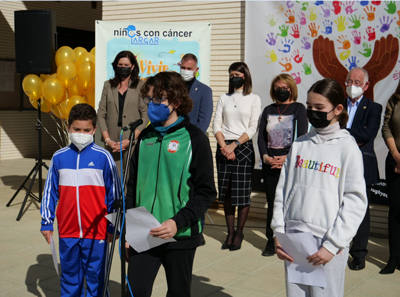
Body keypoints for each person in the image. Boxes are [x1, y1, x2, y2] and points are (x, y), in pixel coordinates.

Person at [271, 78, 368, 297]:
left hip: (327, 243)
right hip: (294, 239)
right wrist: (278, 231)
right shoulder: (299, 144)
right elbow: (282, 192)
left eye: (319, 107)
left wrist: (333, 245)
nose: (313, 112)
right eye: (309, 107)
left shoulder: (347, 148)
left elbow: (355, 201)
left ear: (337, 109)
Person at [125, 71, 217, 297]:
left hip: (180, 235)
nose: (151, 104)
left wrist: (178, 222)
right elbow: (132, 187)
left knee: (178, 293)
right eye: (148, 99)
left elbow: (206, 192)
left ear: (175, 102)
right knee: (134, 292)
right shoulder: (145, 136)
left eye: (158, 99)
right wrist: (128, 231)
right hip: (143, 232)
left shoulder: (195, 139)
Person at [40, 103, 121, 297]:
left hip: (97, 231)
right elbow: (50, 191)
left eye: (86, 130)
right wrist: (46, 222)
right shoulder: (59, 157)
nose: (81, 134)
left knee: (96, 278)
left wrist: (113, 227)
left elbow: (115, 195)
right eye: (77, 129)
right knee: (69, 277)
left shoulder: (104, 157)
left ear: (94, 130)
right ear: (68, 127)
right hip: (68, 231)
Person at [257, 73, 308, 257]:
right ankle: (271, 241)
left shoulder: (299, 109)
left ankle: (292, 240)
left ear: (291, 89)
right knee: (273, 203)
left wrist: (287, 157)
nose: (281, 91)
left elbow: (302, 136)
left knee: (292, 203)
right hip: (270, 164)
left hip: (291, 164)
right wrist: (266, 157)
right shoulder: (268, 109)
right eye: (278, 88)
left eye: (285, 88)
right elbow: (261, 136)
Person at [213, 62, 262, 251]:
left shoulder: (253, 98)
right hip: (224, 146)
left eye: (238, 74)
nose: (234, 77)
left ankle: (239, 232)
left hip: (243, 147)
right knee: (225, 192)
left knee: (241, 193)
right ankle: (230, 232)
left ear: (245, 76)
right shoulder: (224, 97)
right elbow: (216, 123)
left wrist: (234, 145)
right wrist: (224, 146)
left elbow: (252, 128)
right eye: (231, 74)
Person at [345, 67, 383, 271]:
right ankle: (337, 248)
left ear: (366, 86)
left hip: (362, 166)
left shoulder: (374, 107)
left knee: (361, 210)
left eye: (357, 82)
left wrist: (343, 133)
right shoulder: (337, 105)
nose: (352, 86)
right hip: (338, 164)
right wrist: (353, 134)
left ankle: (359, 254)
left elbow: (367, 135)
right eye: (349, 81)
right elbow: (326, 129)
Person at [97, 50, 149, 176]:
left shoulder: (141, 85)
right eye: (120, 65)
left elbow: (145, 115)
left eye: (126, 65)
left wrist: (131, 139)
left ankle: (128, 197)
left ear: (133, 66)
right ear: (115, 66)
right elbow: (101, 113)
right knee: (112, 176)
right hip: (112, 141)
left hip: (132, 139)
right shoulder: (108, 85)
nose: (123, 68)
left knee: (131, 176)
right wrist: (107, 139)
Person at [380, 80, 400, 274]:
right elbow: (386, 127)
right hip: (395, 161)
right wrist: (395, 154)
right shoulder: (394, 100)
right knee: (395, 210)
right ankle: (394, 257)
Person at [180, 53, 213, 133]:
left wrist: (195, 137)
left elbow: (204, 120)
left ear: (196, 70)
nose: (186, 71)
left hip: (192, 135)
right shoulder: (172, 86)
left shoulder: (205, 90)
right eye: (183, 68)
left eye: (189, 68)